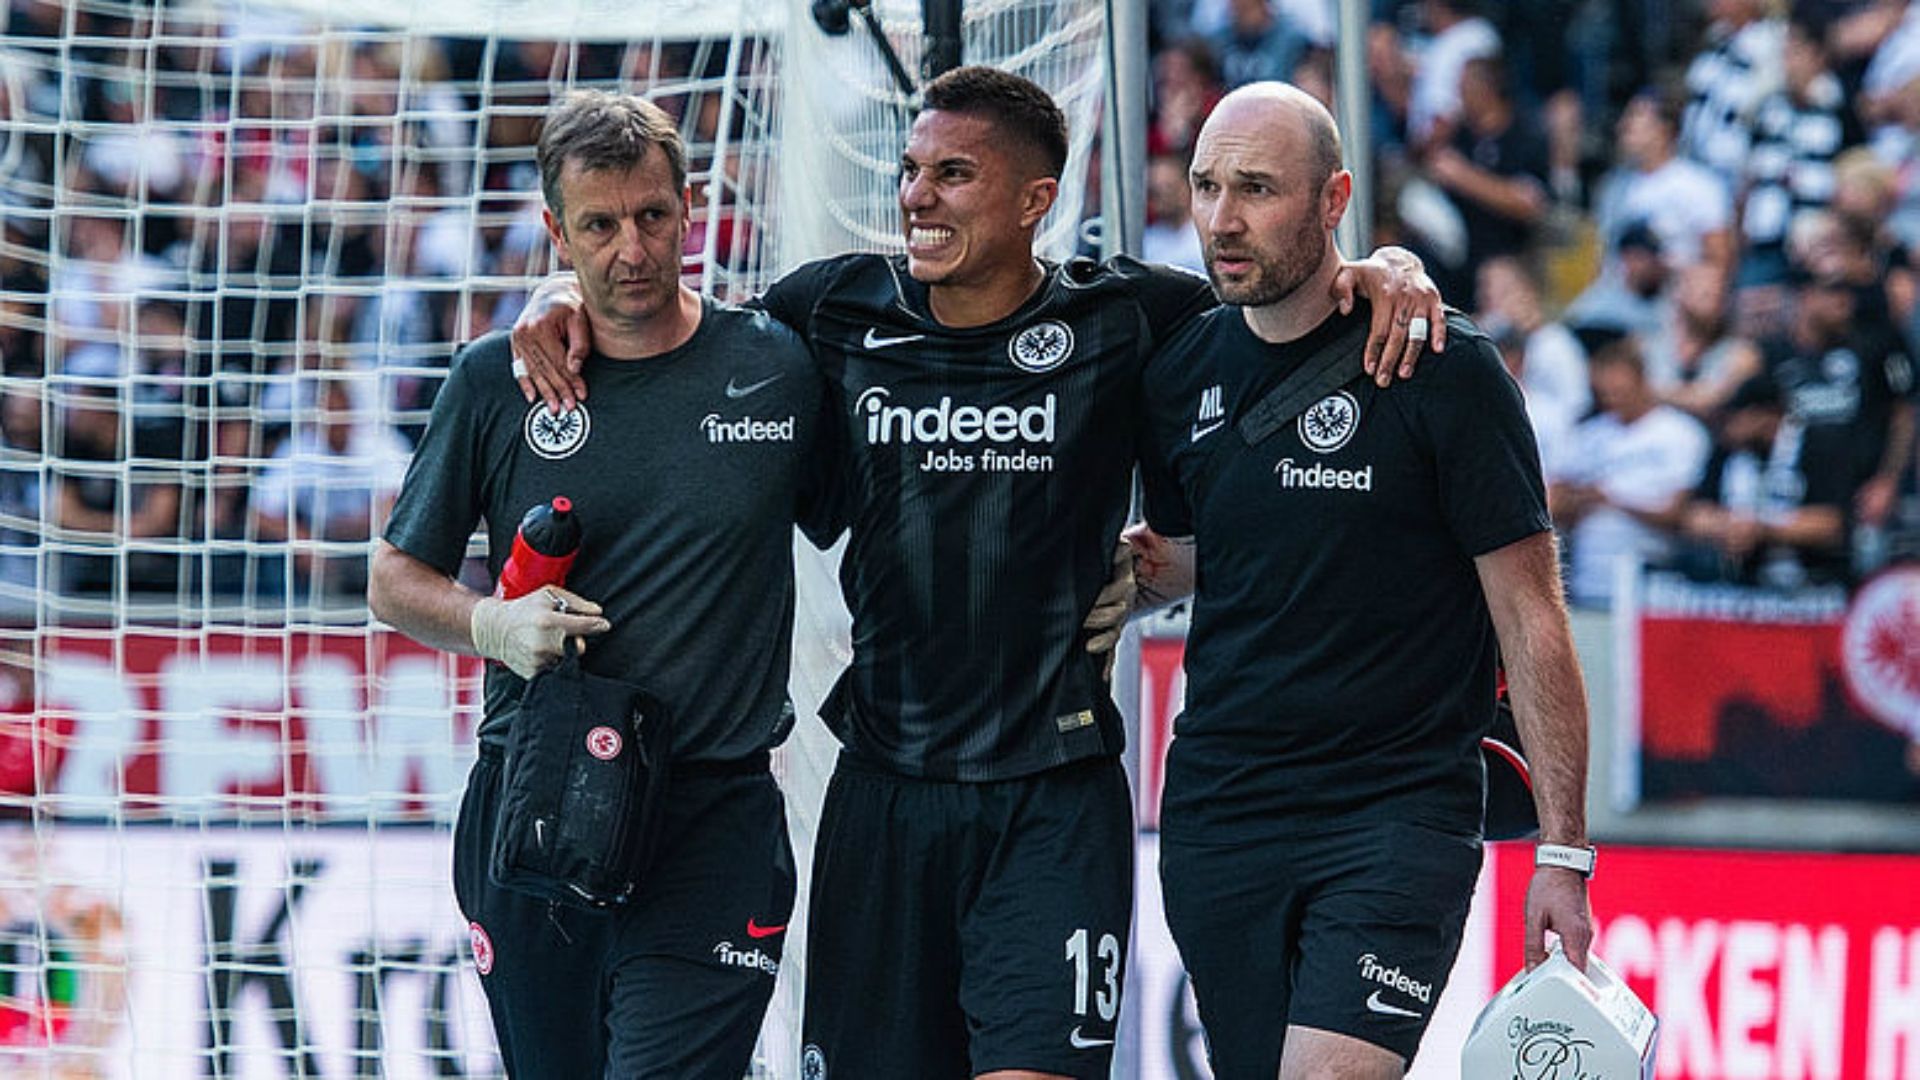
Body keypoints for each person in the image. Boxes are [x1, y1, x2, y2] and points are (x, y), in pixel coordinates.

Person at [509, 66, 1444, 1080]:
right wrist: (561, 295)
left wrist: (1387, 262)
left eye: (954, 174)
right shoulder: (829, 312)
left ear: (1039, 202)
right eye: (912, 171)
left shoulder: (1132, 317)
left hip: (1053, 797)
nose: (916, 195)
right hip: (883, 793)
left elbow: (1285, 303)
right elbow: (673, 332)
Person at [1127, 82, 1594, 1079]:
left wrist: (1565, 852)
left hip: (1395, 812)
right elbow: (1216, 553)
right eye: (1207, 186)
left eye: (1256, 188)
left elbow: (1532, 614)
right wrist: (1111, 581)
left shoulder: (1443, 367)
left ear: (1334, 200)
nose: (1221, 218)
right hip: (1219, 811)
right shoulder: (1177, 372)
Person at [367, 90, 837, 1079]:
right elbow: (393, 580)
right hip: (536, 800)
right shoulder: (498, 382)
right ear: (555, 230)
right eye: (599, 224)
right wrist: (494, 623)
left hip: (714, 816)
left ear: (689, 208)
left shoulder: (779, 366)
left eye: (652, 216)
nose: (632, 248)